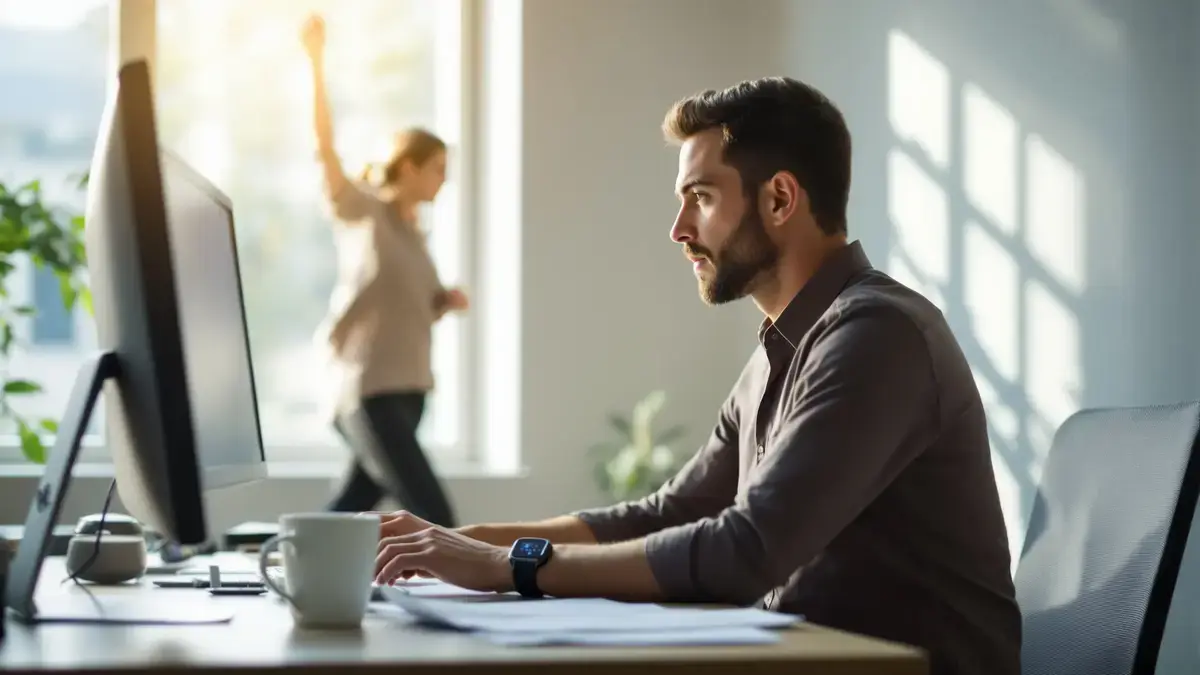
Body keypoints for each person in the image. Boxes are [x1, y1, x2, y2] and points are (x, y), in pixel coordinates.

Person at [369, 77, 1021, 674]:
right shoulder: (784, 347)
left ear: (780, 198)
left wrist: (508, 566)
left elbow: (747, 548)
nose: (679, 229)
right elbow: (669, 513)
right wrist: (459, 543)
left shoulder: (879, 335)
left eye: (701, 198)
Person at [300, 14, 463, 526]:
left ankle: (278, 567)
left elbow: (405, 308)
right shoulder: (361, 208)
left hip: (412, 393)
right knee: (434, 516)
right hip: (366, 393)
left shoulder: (417, 239)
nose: (443, 181)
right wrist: (315, 61)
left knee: (347, 512)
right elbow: (324, 146)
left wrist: (443, 301)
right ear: (409, 166)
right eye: (438, 169)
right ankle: (474, 602)